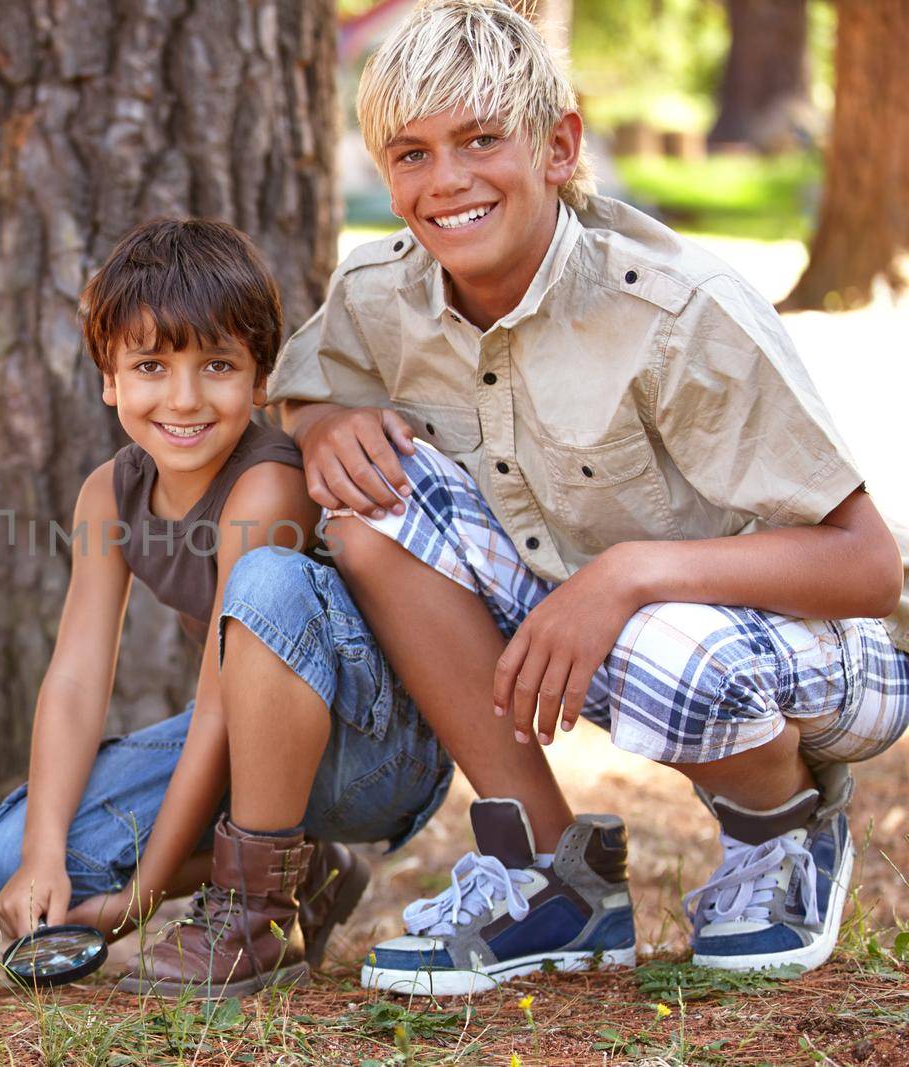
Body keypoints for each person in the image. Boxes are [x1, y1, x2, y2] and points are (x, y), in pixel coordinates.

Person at [263, 0, 909, 996]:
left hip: (806, 645)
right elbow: (306, 380)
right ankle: (548, 870)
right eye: (412, 154)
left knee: (670, 648)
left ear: (559, 145)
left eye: (481, 141)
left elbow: (867, 566)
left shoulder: (677, 309)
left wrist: (629, 576)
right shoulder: (382, 292)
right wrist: (317, 425)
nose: (448, 182)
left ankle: (782, 829)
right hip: (571, 619)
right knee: (367, 498)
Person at [0, 218, 453, 998]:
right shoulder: (109, 492)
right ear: (109, 376)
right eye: (152, 366)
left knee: (262, 582)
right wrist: (40, 853)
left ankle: (256, 904)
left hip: (375, 750)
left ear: (261, 378)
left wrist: (145, 892)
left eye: (219, 364)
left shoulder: (268, 483)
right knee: (16, 854)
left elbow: (218, 710)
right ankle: (310, 868)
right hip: (251, 741)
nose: (185, 397)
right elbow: (74, 678)